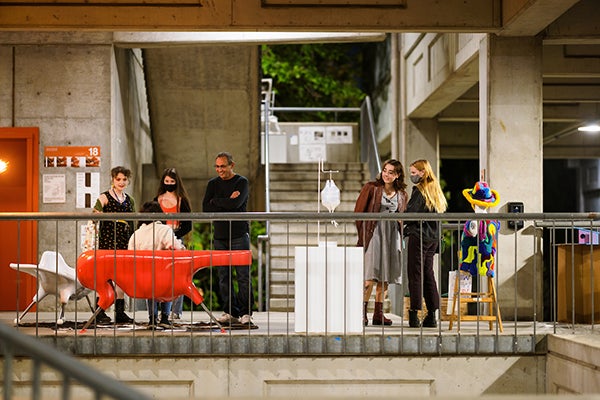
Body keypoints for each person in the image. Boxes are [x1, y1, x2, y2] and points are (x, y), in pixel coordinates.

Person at [202, 151, 255, 328]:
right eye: (217, 166)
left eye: (223, 166)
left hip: (239, 234)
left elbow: (236, 205)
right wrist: (225, 200)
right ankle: (230, 311)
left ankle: (246, 313)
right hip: (220, 236)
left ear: (232, 165)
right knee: (223, 276)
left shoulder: (242, 182)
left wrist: (216, 201)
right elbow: (205, 208)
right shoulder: (212, 184)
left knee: (242, 276)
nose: (220, 170)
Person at [354, 159, 408, 326]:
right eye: (385, 170)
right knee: (369, 276)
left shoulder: (402, 194)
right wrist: (363, 234)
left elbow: (403, 216)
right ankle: (361, 312)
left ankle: (378, 314)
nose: (386, 174)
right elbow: (358, 212)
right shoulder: (372, 188)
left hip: (392, 236)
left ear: (397, 175)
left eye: (391, 172)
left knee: (385, 277)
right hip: (374, 233)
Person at [127, 201, 185, 327]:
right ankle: (164, 318)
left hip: (143, 276)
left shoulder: (136, 234)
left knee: (151, 292)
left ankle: (152, 319)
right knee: (168, 285)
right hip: (163, 273)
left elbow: (130, 254)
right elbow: (175, 246)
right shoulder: (164, 230)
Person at [404, 159, 447, 328]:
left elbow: (411, 214)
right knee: (428, 275)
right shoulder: (435, 190)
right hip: (433, 238)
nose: (412, 176)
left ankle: (414, 315)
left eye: (414, 173)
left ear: (423, 173)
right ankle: (432, 315)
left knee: (415, 275)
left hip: (419, 236)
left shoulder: (420, 191)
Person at [93, 166, 136, 324]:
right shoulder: (104, 197)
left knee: (121, 276)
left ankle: (120, 312)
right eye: (118, 179)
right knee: (105, 276)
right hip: (107, 239)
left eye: (124, 179)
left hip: (124, 240)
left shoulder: (129, 200)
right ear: (112, 179)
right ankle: (100, 311)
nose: (121, 182)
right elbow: (94, 215)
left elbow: (132, 223)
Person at [154, 167, 192, 320]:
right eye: (167, 181)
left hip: (176, 239)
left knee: (178, 277)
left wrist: (173, 236)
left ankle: (175, 311)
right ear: (163, 182)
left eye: (172, 181)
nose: (169, 184)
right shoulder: (157, 199)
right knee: (159, 277)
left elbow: (187, 225)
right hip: (160, 241)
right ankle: (159, 311)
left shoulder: (182, 200)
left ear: (177, 183)